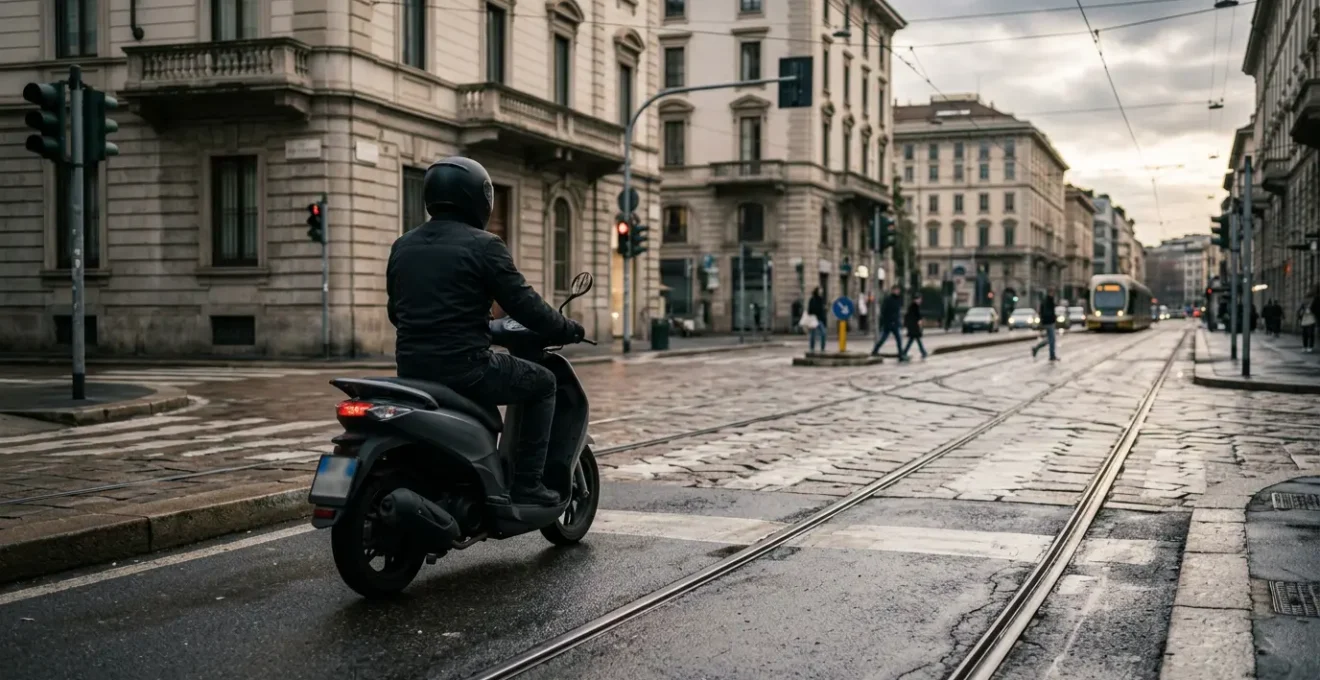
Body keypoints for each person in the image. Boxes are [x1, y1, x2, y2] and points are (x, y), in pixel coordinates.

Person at [387, 156, 584, 508]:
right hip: (467, 370)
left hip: (411, 371)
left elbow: (396, 312)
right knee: (544, 383)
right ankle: (527, 484)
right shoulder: (485, 245)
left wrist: (477, 328)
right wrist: (566, 328)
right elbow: (525, 305)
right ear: (478, 198)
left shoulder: (403, 245)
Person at [870, 286, 905, 358]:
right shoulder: (888, 299)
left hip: (895, 323)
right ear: (892, 291)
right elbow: (884, 310)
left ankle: (901, 354)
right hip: (889, 323)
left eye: (898, 290)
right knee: (883, 338)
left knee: (899, 339)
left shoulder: (899, 299)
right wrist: (886, 320)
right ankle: (875, 351)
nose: (897, 292)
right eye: (896, 290)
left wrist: (899, 321)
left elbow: (898, 311)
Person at [1032, 289, 1059, 361]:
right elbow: (1049, 312)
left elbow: (1041, 312)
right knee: (1052, 340)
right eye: (1052, 292)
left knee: (1048, 340)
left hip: (1046, 322)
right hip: (1049, 322)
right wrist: (1053, 317)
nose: (1053, 294)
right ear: (1050, 293)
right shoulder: (1049, 300)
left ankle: (1036, 348)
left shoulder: (1045, 300)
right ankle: (1052, 356)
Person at [902, 294, 928, 360]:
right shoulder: (914, 306)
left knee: (913, 340)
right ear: (916, 299)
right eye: (919, 299)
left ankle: (905, 352)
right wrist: (919, 321)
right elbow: (916, 316)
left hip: (913, 326)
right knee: (916, 339)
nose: (921, 300)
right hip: (913, 326)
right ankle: (923, 352)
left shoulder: (914, 306)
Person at [807, 287, 828, 351]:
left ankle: (822, 348)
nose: (821, 292)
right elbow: (809, 310)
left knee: (823, 333)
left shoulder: (821, 299)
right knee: (813, 335)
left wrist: (824, 309)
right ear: (817, 291)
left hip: (820, 320)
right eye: (820, 290)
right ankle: (812, 348)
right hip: (814, 319)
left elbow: (822, 311)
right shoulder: (812, 300)